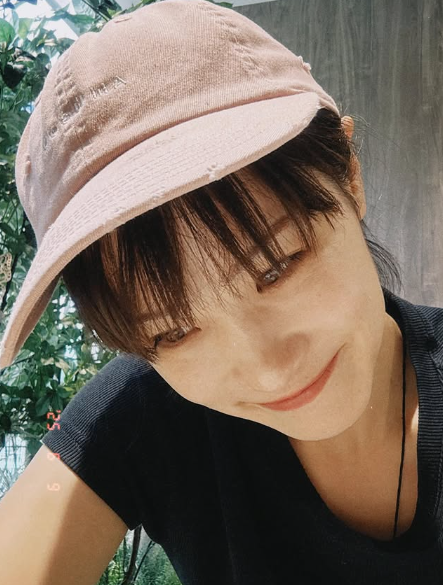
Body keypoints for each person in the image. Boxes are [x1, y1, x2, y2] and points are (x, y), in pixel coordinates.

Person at [0, 1, 442, 584]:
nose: (269, 372)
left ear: (349, 178)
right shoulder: (145, 412)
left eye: (277, 266)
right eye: (173, 331)